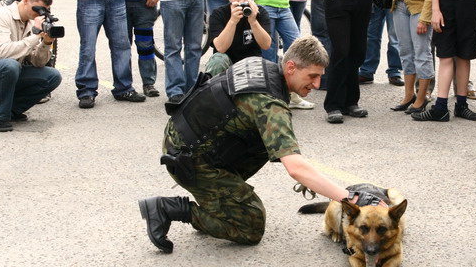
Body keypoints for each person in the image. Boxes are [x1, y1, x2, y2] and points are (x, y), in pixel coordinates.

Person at [137, 36, 388, 253]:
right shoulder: (269, 104)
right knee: (250, 226)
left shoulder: (260, 65)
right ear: (291, 67)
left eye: (320, 77)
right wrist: (351, 198)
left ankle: (217, 201)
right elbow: (296, 167)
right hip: (190, 161)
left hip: (184, 141)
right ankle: (170, 208)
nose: (317, 84)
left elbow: (219, 61)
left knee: (268, 143)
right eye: (312, 76)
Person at [0, 0, 62, 132]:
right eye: (37, 9)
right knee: (9, 65)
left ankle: (10, 110)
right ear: (26, 0)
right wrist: (35, 36)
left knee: (52, 76)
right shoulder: (0, 16)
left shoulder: (30, 23)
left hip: (6, 75)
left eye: (44, 11)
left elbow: (38, 62)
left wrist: (46, 43)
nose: (39, 14)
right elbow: (5, 52)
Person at [205, 0, 271, 76]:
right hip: (227, 62)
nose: (241, 1)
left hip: (251, 62)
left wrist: (253, 21)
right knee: (217, 60)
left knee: (264, 66)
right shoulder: (219, 14)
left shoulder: (260, 12)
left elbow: (266, 45)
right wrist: (232, 21)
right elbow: (220, 48)